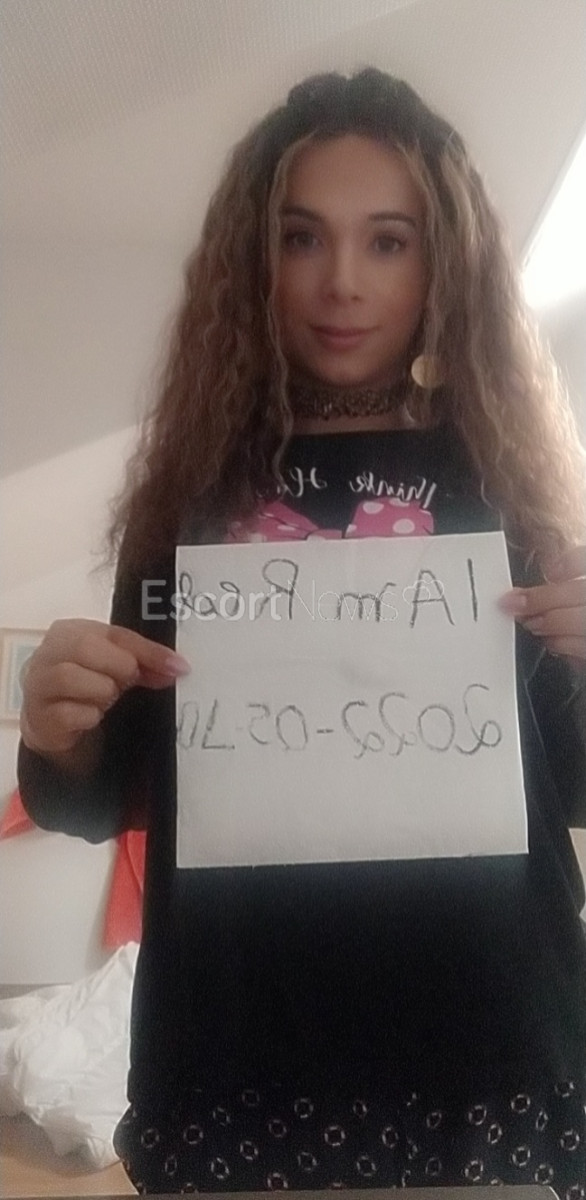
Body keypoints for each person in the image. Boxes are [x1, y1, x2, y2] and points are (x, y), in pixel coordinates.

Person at [17, 69, 586, 1195]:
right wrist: (59, 732)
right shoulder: (192, 495)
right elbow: (119, 796)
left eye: (389, 241)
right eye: (301, 236)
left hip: (484, 1040)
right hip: (240, 1042)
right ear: (254, 257)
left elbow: (564, 784)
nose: (342, 282)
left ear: (444, 262)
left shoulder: (508, 488)